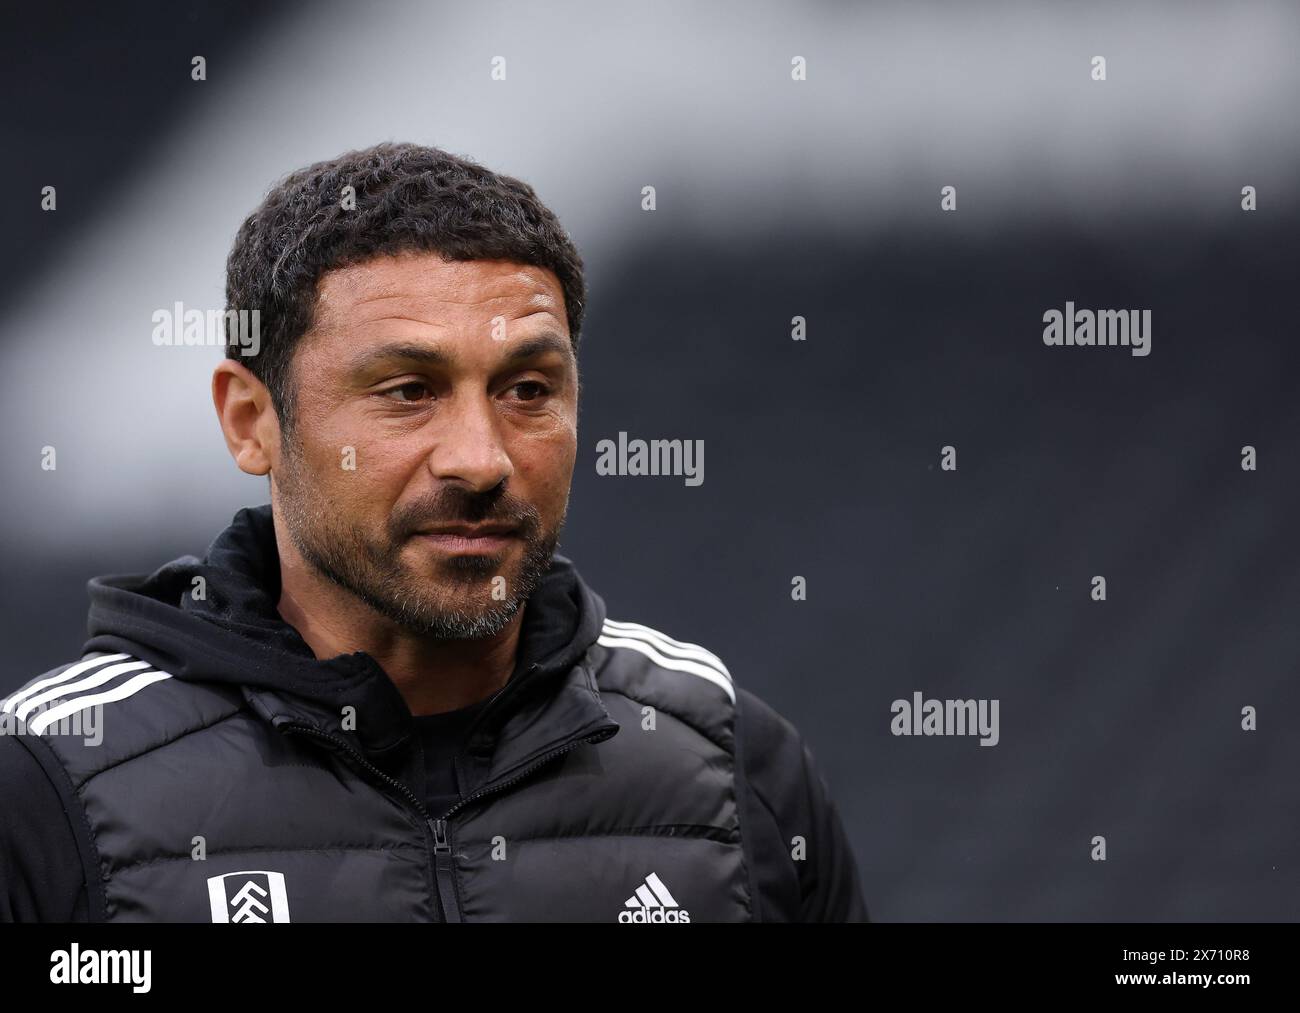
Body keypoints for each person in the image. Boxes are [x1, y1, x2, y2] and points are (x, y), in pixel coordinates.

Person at [0, 142, 867, 923]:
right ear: (251, 420)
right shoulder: (46, 786)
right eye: (409, 389)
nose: (480, 459)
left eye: (527, 389)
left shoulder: (732, 766)